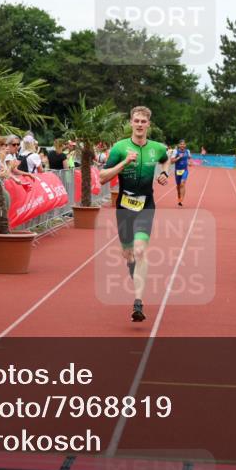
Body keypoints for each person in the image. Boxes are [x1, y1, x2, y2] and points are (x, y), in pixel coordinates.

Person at [100, 106, 170, 323]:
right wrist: (124, 163)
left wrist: (165, 172)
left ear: (149, 124)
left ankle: (138, 303)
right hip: (124, 208)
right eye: (136, 121)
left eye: (143, 121)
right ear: (131, 123)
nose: (139, 124)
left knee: (140, 251)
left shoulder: (157, 148)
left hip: (146, 205)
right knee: (129, 254)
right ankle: (132, 266)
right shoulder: (120, 148)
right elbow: (102, 177)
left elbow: (165, 159)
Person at [169, 139, 192, 207]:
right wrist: (179, 157)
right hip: (177, 171)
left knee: (183, 183)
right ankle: (179, 197)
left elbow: (189, 158)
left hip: (185, 170)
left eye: (183, 144)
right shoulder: (176, 151)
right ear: (179, 145)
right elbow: (172, 161)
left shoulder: (187, 151)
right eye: (181, 144)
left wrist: (189, 162)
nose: (182, 145)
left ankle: (182, 199)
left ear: (185, 145)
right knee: (178, 187)